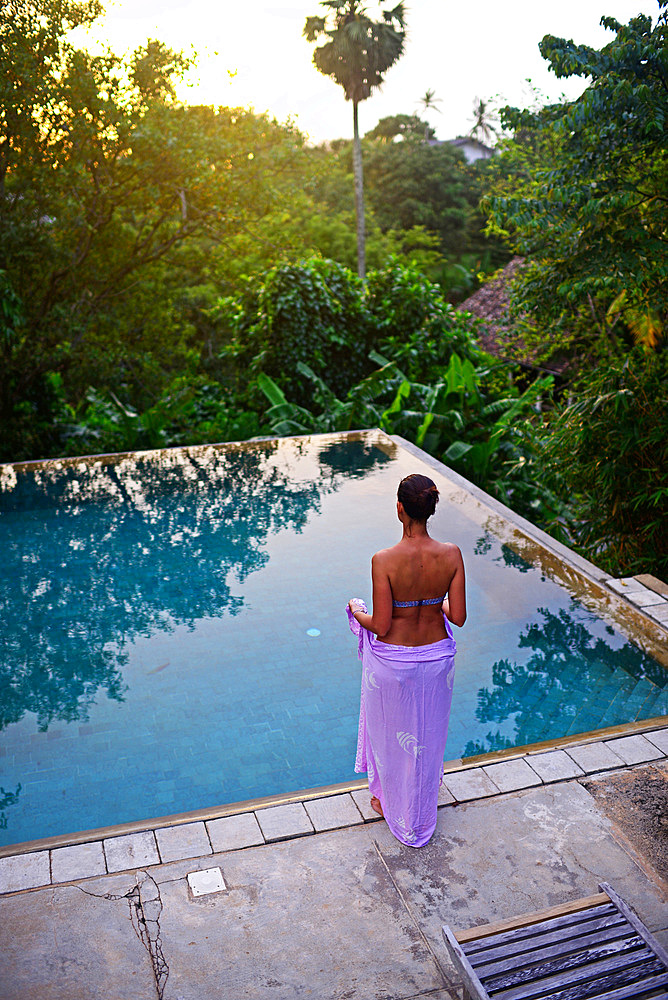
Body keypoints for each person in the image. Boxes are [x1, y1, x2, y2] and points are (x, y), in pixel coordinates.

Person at [347, 473, 466, 847]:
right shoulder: (451, 554)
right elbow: (458, 616)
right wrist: (434, 602)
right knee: (427, 735)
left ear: (400, 509)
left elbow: (381, 624)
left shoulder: (384, 560)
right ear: (430, 509)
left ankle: (389, 801)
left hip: (394, 664)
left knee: (390, 738)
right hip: (436, 663)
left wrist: (355, 610)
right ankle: (421, 802)